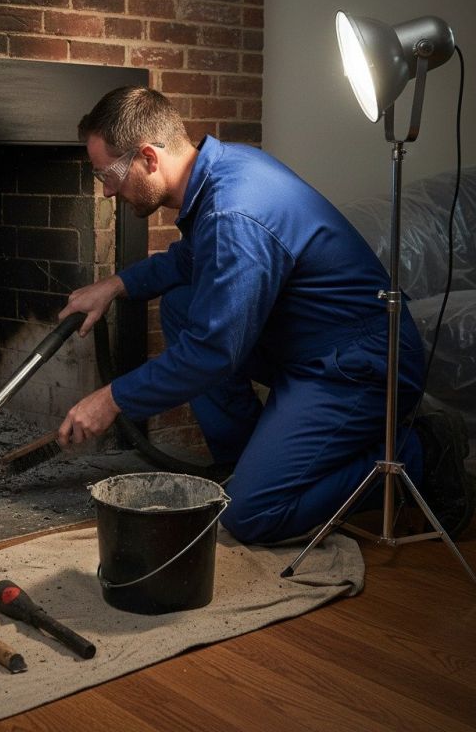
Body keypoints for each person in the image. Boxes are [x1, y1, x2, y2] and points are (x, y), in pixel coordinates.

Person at [56, 86, 474, 544]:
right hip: (310, 345)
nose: (109, 191)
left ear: (149, 158)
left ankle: (421, 452)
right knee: (180, 304)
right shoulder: (218, 171)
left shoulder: (234, 211)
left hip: (359, 366)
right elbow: (189, 261)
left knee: (252, 517)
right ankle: (246, 460)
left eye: (108, 175)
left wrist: (112, 399)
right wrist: (114, 286)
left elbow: (210, 355)